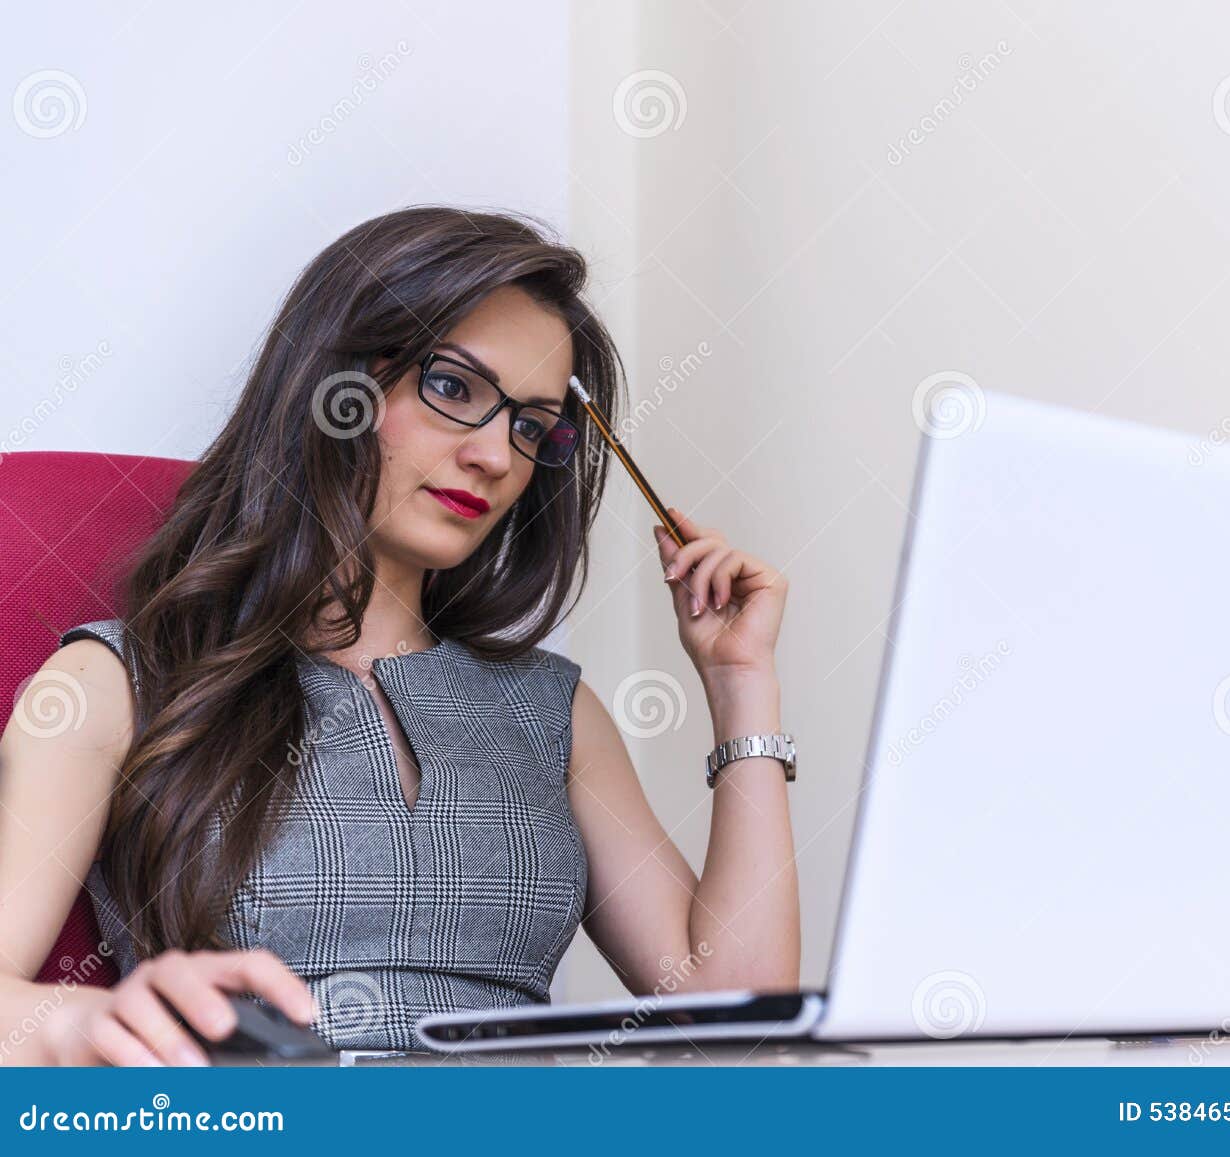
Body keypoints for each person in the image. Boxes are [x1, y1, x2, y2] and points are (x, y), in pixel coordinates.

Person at [0, 206, 799, 1065]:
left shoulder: (553, 711)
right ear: (334, 384)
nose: (496, 456)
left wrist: (740, 682)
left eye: (529, 426)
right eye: (454, 389)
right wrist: (90, 1022)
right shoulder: (114, 681)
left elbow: (739, 1027)